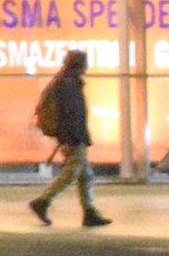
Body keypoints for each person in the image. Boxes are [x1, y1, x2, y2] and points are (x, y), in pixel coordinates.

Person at [29, 48, 110, 228]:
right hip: (73, 137)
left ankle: (89, 212)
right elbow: (70, 115)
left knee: (85, 175)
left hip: (73, 136)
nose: (87, 67)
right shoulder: (68, 85)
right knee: (71, 173)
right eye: (85, 63)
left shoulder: (65, 82)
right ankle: (43, 202)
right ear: (79, 64)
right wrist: (68, 140)